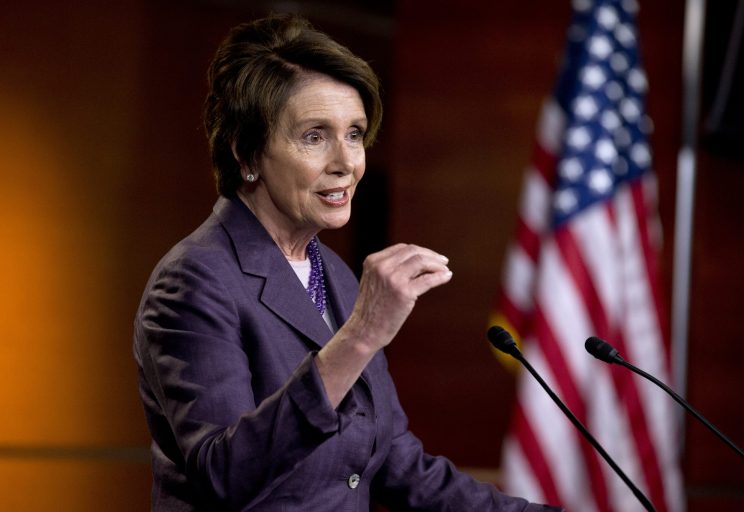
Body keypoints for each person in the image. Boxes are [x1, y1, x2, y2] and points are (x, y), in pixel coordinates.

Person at [133, 12, 563, 512]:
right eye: (315, 136)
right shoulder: (194, 280)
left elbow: (399, 465)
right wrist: (359, 337)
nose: (346, 163)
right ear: (246, 154)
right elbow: (225, 476)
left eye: (354, 134)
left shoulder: (334, 275)